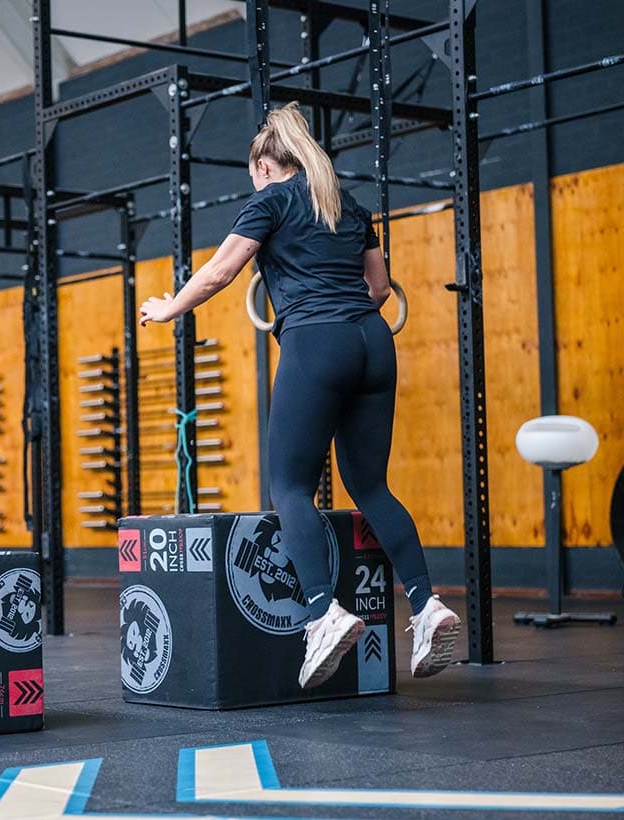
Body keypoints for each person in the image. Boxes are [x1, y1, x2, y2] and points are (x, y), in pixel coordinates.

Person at [139, 102, 461, 688]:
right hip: (373, 341)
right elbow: (381, 287)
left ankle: (322, 612)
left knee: (289, 485)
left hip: (317, 343)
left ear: (265, 165)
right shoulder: (349, 204)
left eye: (252, 174)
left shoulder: (271, 200)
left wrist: (169, 308)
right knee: (370, 485)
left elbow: (220, 272)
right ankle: (427, 604)